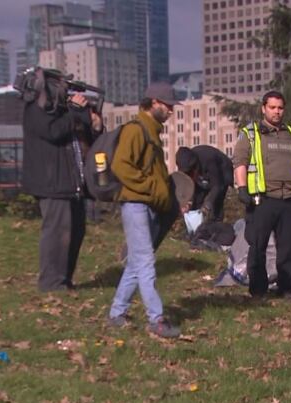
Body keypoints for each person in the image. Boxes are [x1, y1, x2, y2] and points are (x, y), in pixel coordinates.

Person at [107, 83, 181, 338]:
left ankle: (117, 313)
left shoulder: (151, 131)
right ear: (153, 102)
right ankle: (156, 319)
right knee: (146, 260)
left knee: (137, 262)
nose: (171, 111)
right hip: (136, 204)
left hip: (146, 204)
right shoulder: (136, 130)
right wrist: (150, 188)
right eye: (167, 106)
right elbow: (120, 165)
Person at [21, 68, 103, 292]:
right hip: (52, 184)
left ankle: (64, 279)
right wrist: (76, 112)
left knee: (76, 230)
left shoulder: (64, 112)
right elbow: (53, 132)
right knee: (57, 233)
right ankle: (51, 283)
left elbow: (89, 138)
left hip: (71, 182)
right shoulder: (36, 111)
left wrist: (93, 123)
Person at [233, 91, 291, 302]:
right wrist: (242, 188)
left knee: (289, 247)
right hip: (263, 199)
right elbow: (240, 162)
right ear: (263, 108)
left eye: (280, 108)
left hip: (290, 199)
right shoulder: (251, 133)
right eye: (273, 107)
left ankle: (287, 288)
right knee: (258, 246)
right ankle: (258, 290)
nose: (277, 112)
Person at [175, 144, 234, 223]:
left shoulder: (208, 159)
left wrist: (207, 205)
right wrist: (186, 203)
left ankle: (216, 224)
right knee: (196, 204)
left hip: (222, 172)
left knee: (216, 202)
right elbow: (188, 186)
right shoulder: (184, 164)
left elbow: (217, 185)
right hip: (203, 176)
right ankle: (197, 228)